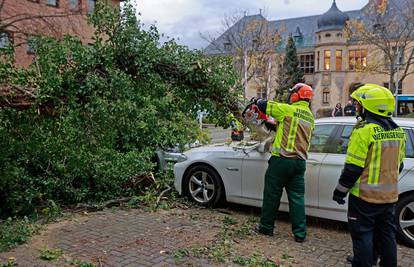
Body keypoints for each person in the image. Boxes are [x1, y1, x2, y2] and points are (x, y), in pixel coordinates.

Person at [332, 84, 405, 267]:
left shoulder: (363, 132)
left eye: (359, 104)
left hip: (364, 198)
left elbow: (352, 169)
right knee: (387, 235)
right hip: (389, 198)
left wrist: (340, 192)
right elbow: (399, 165)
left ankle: (362, 262)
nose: (357, 107)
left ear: (368, 107)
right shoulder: (398, 132)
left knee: (362, 235)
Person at [253, 83, 314, 242]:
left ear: (296, 95)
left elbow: (265, 105)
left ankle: (266, 227)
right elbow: (289, 129)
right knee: (297, 198)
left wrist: (257, 101)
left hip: (281, 161)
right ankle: (300, 234)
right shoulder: (310, 117)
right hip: (299, 163)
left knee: (272, 195)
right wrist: (273, 125)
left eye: (292, 93)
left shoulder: (288, 110)